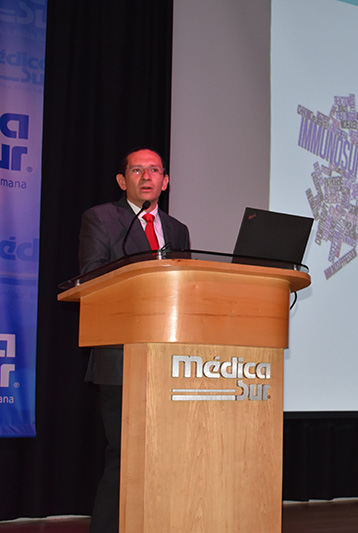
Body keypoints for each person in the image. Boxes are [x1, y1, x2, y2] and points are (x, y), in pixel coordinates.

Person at [78, 148, 190, 533]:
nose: (146, 177)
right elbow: (92, 275)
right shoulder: (101, 218)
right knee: (124, 454)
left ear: (165, 181)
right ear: (122, 180)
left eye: (154, 170)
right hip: (121, 354)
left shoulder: (177, 229)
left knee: (165, 453)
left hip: (169, 355)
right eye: (137, 170)